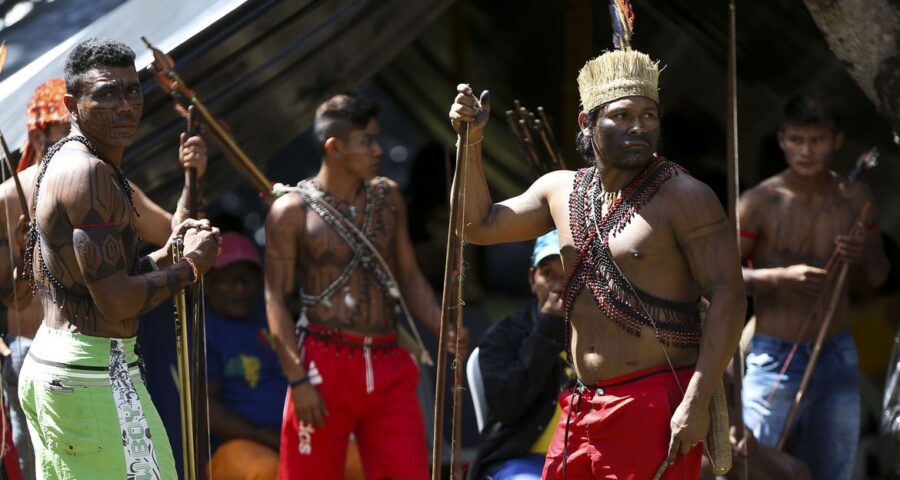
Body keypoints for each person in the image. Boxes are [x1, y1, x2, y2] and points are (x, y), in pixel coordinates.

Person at [448, 48, 746, 479]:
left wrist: (696, 402)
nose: (639, 126)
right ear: (587, 122)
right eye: (622, 115)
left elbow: (728, 296)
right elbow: (476, 225)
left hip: (653, 403)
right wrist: (471, 140)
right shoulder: (559, 189)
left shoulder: (686, 196)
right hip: (582, 403)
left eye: (649, 115)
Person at [16, 37, 220, 479]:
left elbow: (102, 281)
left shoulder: (76, 163)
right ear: (72, 103)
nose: (125, 105)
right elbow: (116, 301)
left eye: (131, 90)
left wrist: (170, 252)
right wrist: (190, 268)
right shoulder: (88, 174)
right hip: (91, 376)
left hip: (64, 367)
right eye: (107, 92)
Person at [265, 92, 468, 480]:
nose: (378, 150)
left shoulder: (389, 196)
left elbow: (408, 275)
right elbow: (274, 298)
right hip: (322, 365)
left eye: (377, 139)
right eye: (366, 141)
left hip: (389, 360)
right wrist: (297, 379)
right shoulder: (291, 211)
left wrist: (444, 328)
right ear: (335, 147)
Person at [739, 93, 890, 480]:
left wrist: (860, 254)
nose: (805, 151)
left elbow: (877, 278)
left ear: (837, 141)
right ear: (781, 140)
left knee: (833, 467)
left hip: (836, 350)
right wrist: (780, 277)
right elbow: (721, 279)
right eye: (796, 140)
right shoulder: (759, 203)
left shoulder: (855, 199)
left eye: (817, 140)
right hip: (773, 354)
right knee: (751, 461)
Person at [468, 230, 570, 480]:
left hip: (586, 457)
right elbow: (507, 406)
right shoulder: (503, 335)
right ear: (532, 279)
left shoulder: (603, 333)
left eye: (568, 274)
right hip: (522, 460)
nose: (558, 286)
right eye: (548, 274)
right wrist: (547, 330)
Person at [206, 232, 285, 480]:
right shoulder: (203, 329)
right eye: (229, 280)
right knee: (265, 471)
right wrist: (266, 436)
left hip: (295, 436)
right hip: (236, 445)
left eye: (247, 280)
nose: (240, 289)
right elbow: (207, 409)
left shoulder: (270, 317)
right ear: (208, 284)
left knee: (358, 460)